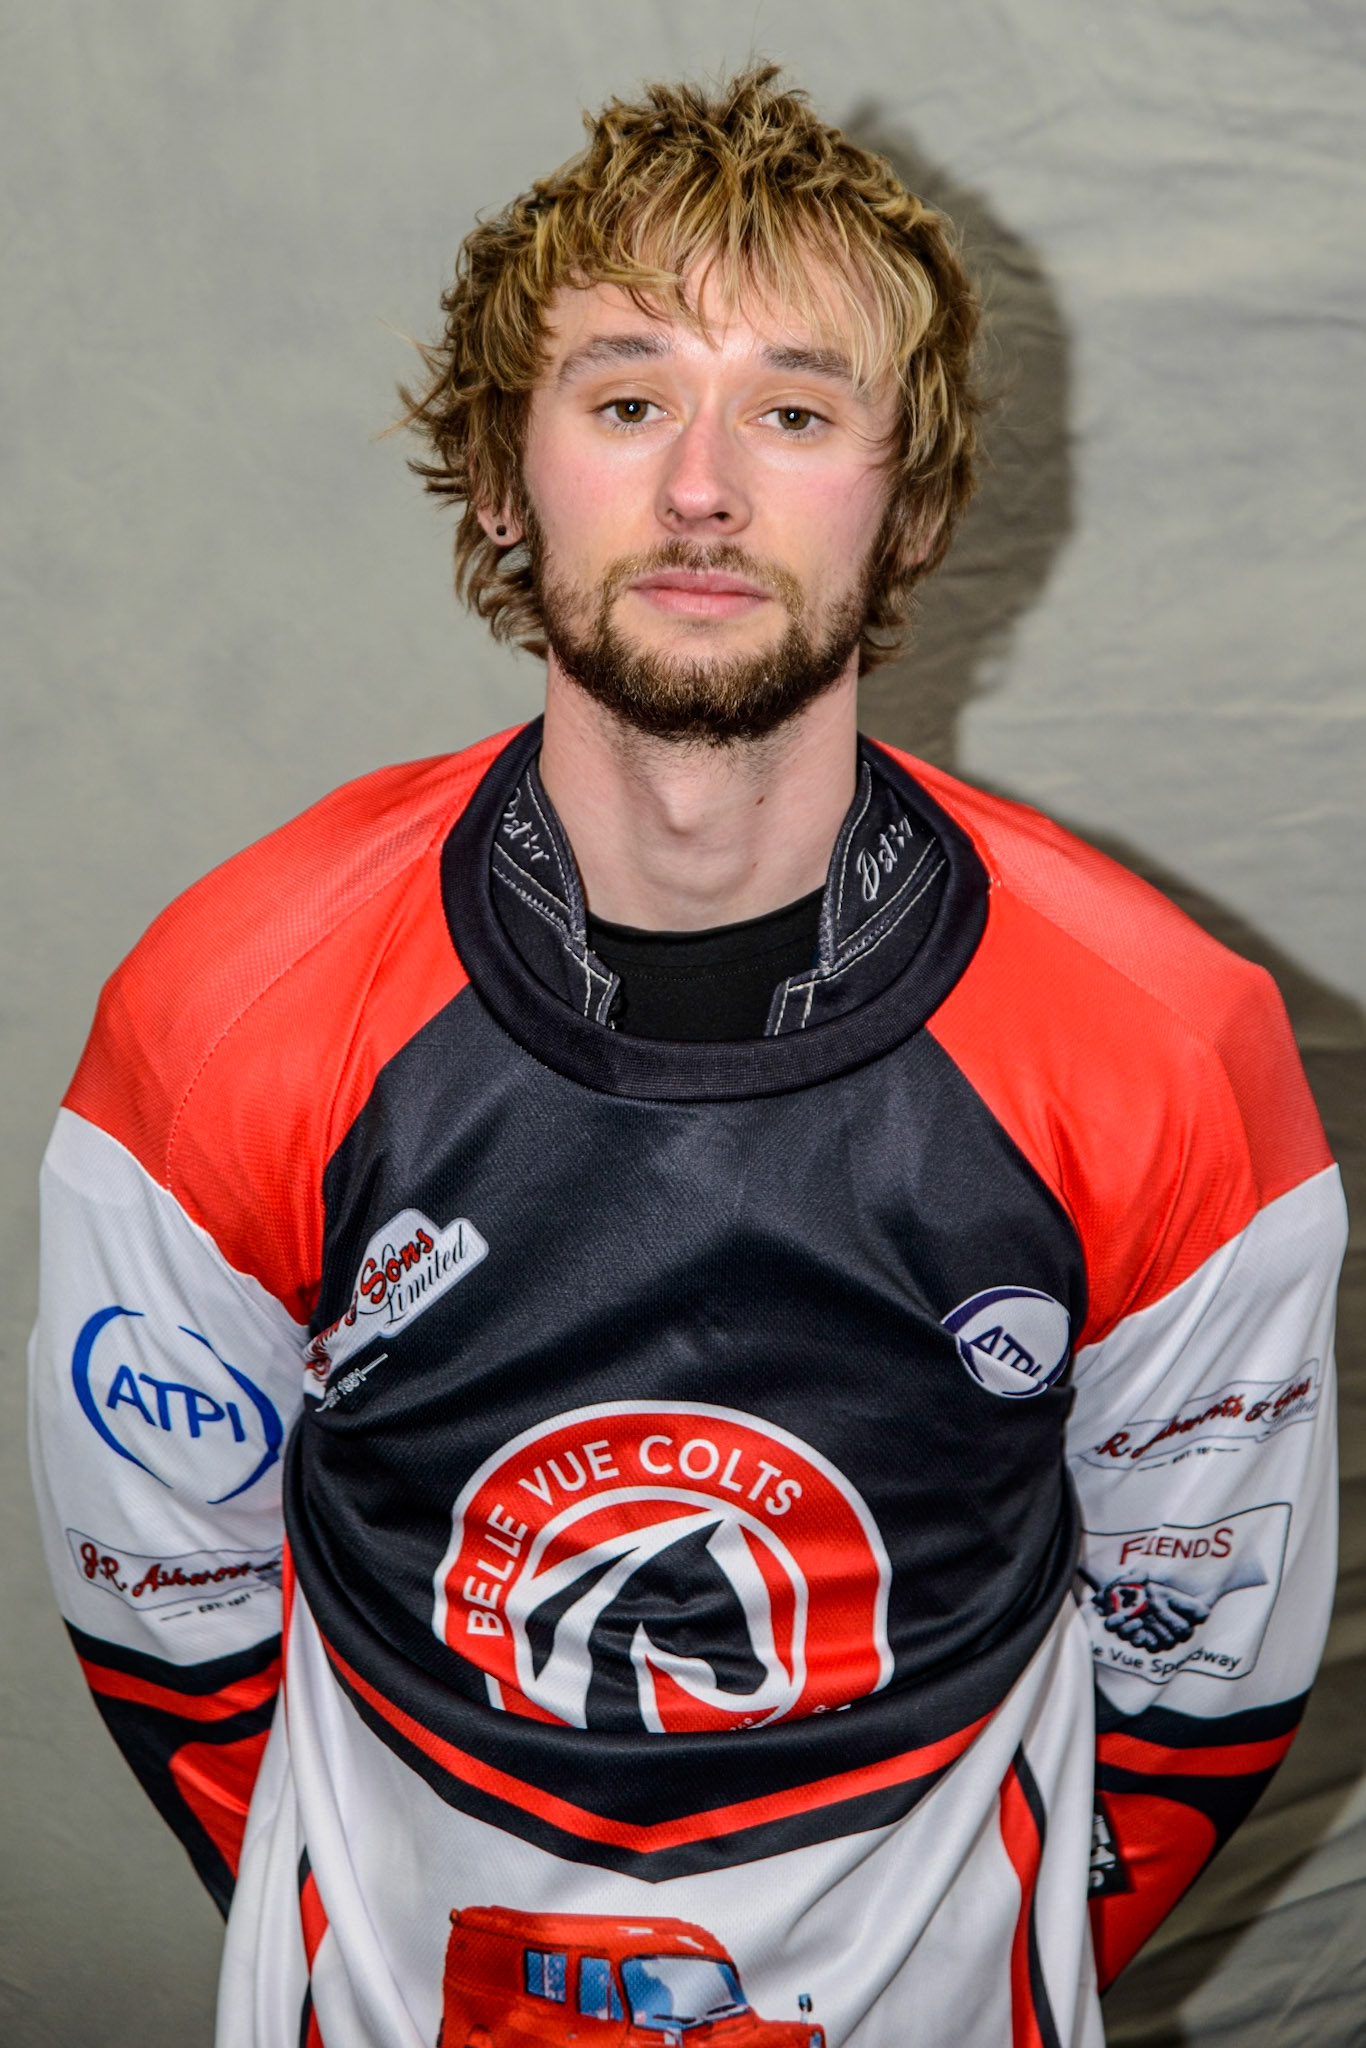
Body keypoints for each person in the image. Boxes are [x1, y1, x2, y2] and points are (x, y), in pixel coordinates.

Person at [29, 67, 1345, 2048]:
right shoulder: (228, 1014)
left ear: (905, 504)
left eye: (793, 412)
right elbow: (168, 1619)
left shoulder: (1166, 1049)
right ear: (504, 475)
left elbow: (1200, 1684)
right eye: (626, 400)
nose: (704, 488)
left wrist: (954, 1973)